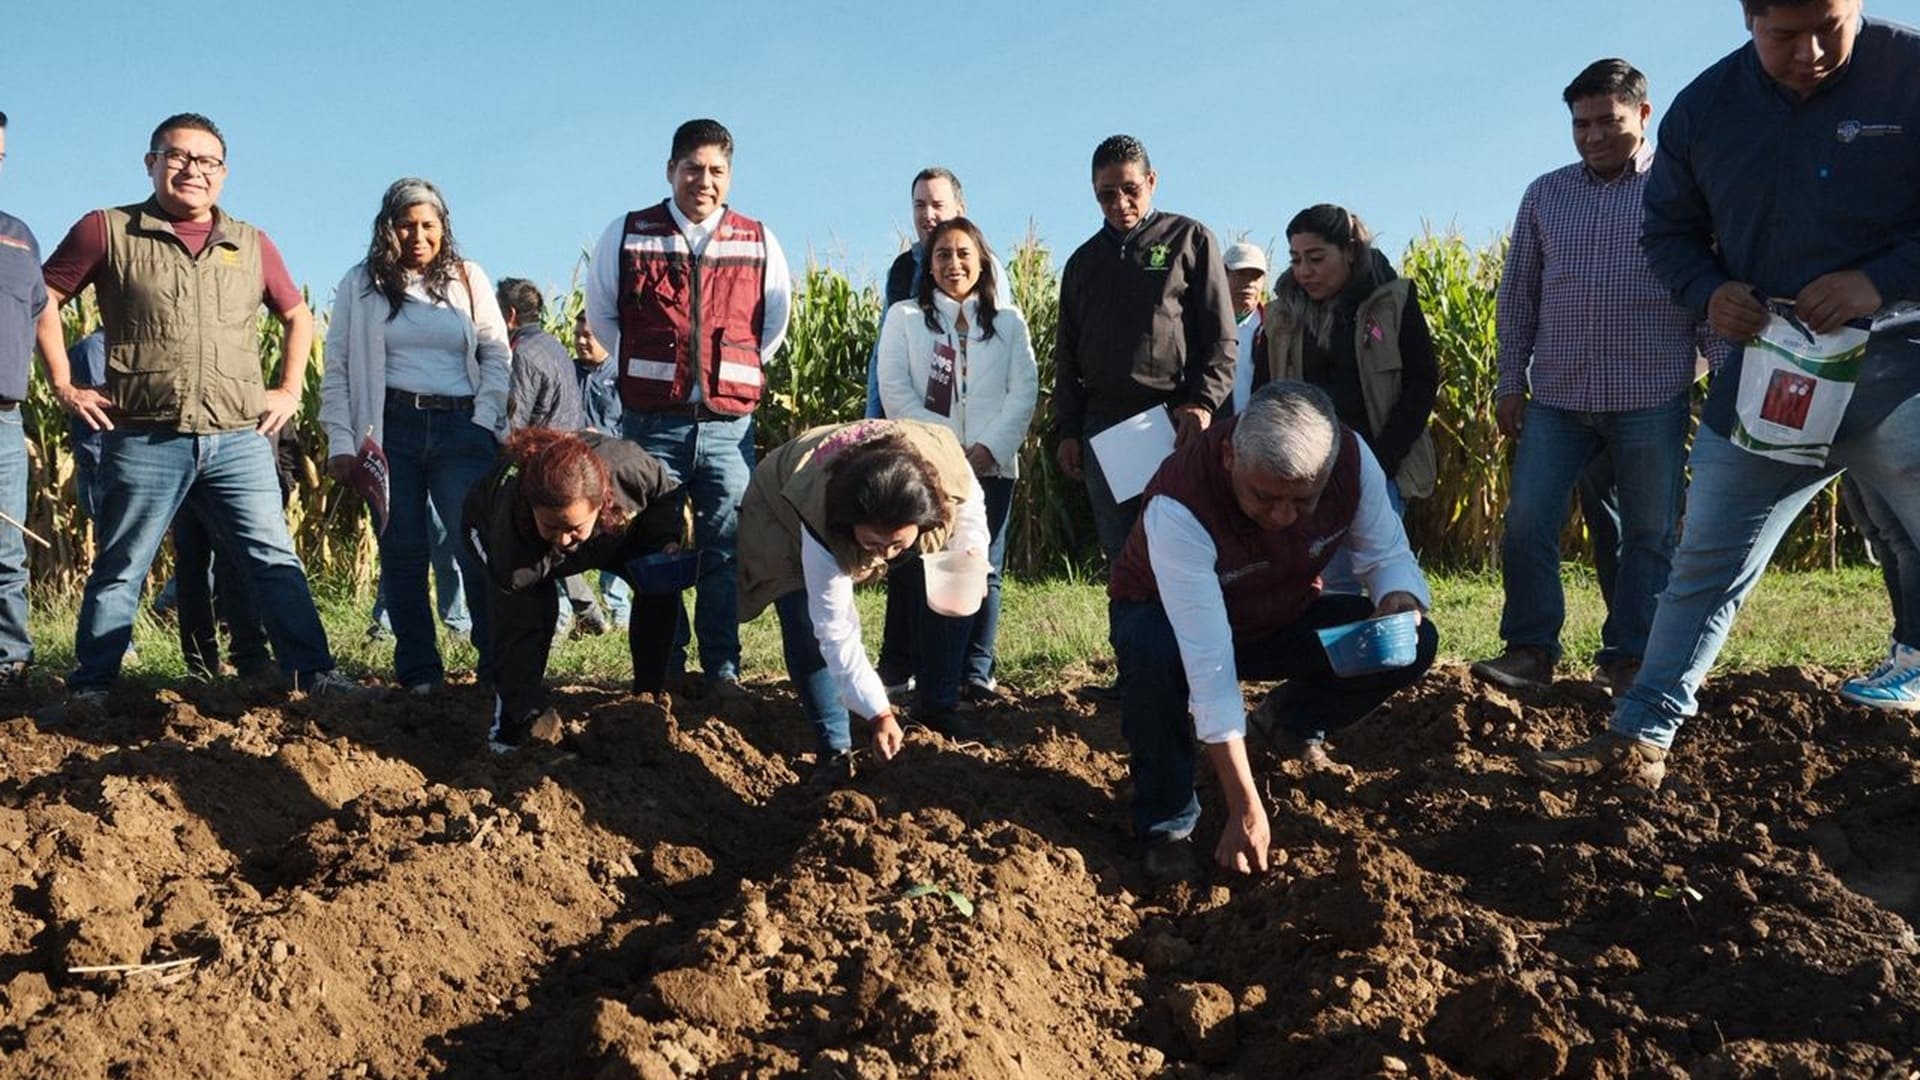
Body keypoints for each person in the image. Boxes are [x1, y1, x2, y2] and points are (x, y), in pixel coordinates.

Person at [1527, 0, 1920, 787]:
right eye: (1784, 34)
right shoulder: (1706, 108)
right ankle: (1641, 737)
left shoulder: (1910, 76)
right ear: (1748, 17)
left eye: (1830, 27)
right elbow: (1667, 233)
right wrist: (1710, 291)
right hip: (1769, 383)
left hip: (1899, 366)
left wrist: (1877, 281)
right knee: (1706, 557)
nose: (1809, 51)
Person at [34, 112, 366, 711]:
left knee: (271, 558)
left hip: (237, 438)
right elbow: (44, 299)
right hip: (144, 436)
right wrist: (65, 383)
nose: (193, 170)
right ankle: (91, 688)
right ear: (152, 162)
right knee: (122, 565)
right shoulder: (108, 231)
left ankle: (314, 674)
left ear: (224, 173)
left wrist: (290, 389)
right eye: (178, 156)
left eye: (207, 161)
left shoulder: (251, 242)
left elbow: (296, 317)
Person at [1109, 381, 1438, 880]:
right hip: (1166, 618)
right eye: (1264, 497)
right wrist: (1245, 804)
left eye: (1303, 501)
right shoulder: (1180, 502)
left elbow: (1387, 555)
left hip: (1281, 610)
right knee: (1155, 660)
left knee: (1410, 644)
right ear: (1228, 458)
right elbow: (1210, 665)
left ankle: (1289, 722)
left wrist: (1398, 598)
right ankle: (1167, 822)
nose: (1283, 516)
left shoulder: (1350, 458)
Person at [1471, 59, 1716, 695]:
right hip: (1558, 394)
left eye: (1608, 120)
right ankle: (1530, 650)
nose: (1594, 135)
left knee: (1647, 533)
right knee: (1527, 522)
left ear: (1643, 113)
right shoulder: (1546, 194)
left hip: (1651, 394)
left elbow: (1707, 290)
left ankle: (1631, 656)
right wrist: (1508, 382)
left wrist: (1726, 377)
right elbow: (1518, 295)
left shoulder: (1681, 189)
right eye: (1581, 124)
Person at [586, 118, 792, 692]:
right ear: (671, 170)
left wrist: (722, 375)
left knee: (725, 549)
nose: (704, 181)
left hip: (728, 426)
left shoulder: (758, 239)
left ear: (729, 176)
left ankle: (722, 667)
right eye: (693, 169)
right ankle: (665, 667)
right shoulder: (627, 234)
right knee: (655, 550)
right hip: (652, 425)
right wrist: (659, 369)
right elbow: (603, 314)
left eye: (716, 171)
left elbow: (771, 326)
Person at [320, 177, 509, 694]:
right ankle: (420, 675)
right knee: (402, 552)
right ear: (389, 228)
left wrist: (487, 416)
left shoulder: (468, 280)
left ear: (444, 228)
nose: (418, 236)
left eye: (429, 225)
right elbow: (336, 367)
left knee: (476, 547)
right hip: (391, 430)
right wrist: (342, 440)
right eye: (407, 225)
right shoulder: (361, 285)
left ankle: (495, 667)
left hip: (460, 428)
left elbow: (496, 352)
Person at [737, 419, 990, 784]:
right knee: (805, 624)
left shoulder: (945, 469)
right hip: (780, 505)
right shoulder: (821, 516)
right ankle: (833, 748)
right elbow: (835, 630)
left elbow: (970, 512)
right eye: (873, 544)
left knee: (940, 574)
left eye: (897, 544)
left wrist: (972, 556)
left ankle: (937, 704)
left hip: (908, 468)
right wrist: (880, 715)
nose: (885, 555)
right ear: (849, 524)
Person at [877, 217, 1039, 701]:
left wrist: (990, 446)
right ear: (929, 266)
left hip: (991, 464)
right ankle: (911, 669)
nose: (954, 264)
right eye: (943, 255)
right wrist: (944, 452)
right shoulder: (905, 318)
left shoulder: (1009, 323)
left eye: (964, 254)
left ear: (982, 261)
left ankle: (976, 670)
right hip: (929, 467)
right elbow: (896, 389)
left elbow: (1023, 389)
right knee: (919, 563)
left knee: (984, 567)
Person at [1054, 134, 1236, 563]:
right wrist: (1067, 429)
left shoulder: (1189, 239)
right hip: (1105, 427)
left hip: (1174, 422)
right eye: (1106, 195)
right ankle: (1132, 632)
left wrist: (1203, 403)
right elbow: (1067, 352)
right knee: (1124, 555)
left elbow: (1222, 338)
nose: (1120, 203)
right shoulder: (1082, 263)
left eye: (1130, 190)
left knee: (1185, 547)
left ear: (1151, 181)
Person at [866, 166, 1009, 696]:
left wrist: (988, 442)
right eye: (920, 205)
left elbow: (1004, 361)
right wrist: (884, 422)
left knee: (978, 558)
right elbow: (887, 360)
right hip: (916, 436)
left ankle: (974, 670)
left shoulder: (988, 266)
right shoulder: (903, 273)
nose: (929, 215)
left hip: (978, 444)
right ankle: (900, 663)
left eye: (939, 205)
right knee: (906, 550)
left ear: (961, 207)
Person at [463, 428, 685, 751]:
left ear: (601, 503)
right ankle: (511, 730)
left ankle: (646, 700)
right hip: (501, 535)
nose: (565, 539)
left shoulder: (629, 469)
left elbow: (667, 494)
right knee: (528, 611)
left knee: (659, 580)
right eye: (554, 525)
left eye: (573, 528)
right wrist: (532, 718)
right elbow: (515, 630)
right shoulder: (513, 524)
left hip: (605, 534)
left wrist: (664, 541)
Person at [1263, 204, 1438, 596]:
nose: (1304, 271)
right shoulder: (1281, 317)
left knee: (1382, 572)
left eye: (1316, 258)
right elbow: (1266, 393)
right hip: (1307, 472)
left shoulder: (1393, 302)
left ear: (1350, 252)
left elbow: (1421, 383)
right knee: (1329, 582)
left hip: (1379, 462)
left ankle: (1388, 652)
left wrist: (1382, 459)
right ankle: (1338, 656)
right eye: (1296, 259)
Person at [498, 277, 607, 639]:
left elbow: (516, 423)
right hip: (570, 453)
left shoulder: (524, 354)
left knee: (546, 540)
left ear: (509, 314)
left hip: (545, 461)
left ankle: (570, 616)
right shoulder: (553, 347)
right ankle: (585, 611)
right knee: (557, 538)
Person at [0, 110, 39, 691]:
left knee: (6, 549)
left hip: (4, 418)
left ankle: (9, 664)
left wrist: (65, 381)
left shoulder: (17, 234)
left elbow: (41, 314)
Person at [573, 313, 632, 630]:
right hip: (576, 474)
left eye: (589, 336)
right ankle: (576, 615)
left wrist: (604, 438)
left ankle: (618, 615)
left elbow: (634, 425)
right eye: (577, 334)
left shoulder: (622, 374)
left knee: (614, 539)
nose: (582, 341)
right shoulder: (568, 372)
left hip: (612, 470)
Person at [1222, 240, 1268, 416]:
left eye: (1255, 276)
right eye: (1241, 274)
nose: (1249, 283)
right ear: (1221, 275)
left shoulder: (1273, 331)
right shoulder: (1201, 328)